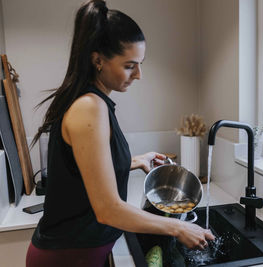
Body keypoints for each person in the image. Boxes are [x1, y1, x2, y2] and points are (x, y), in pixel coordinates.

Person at [26, 1, 214, 266]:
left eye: (140, 64)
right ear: (98, 60)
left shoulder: (92, 102)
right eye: (129, 66)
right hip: (68, 256)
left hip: (79, 250)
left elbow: (86, 170)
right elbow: (108, 210)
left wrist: (135, 160)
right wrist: (178, 228)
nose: (139, 75)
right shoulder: (90, 108)